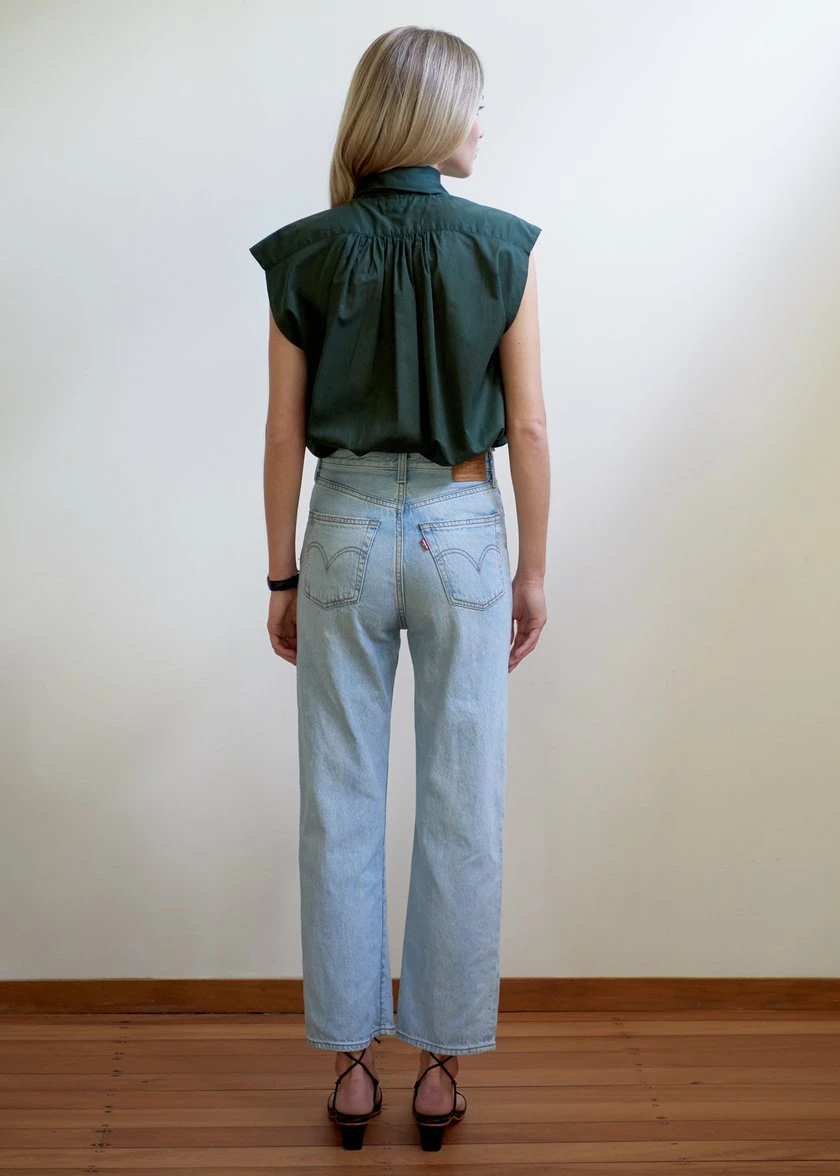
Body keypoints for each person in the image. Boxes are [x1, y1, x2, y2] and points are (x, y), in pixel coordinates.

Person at [250, 24, 549, 1152]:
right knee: (463, 798)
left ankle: (349, 1071)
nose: (483, 124)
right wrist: (532, 571)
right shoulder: (503, 247)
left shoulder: (304, 253)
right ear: (431, 117)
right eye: (476, 104)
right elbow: (529, 428)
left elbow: (283, 432)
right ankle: (438, 1071)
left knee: (340, 797)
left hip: (340, 524)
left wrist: (282, 573)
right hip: (464, 529)